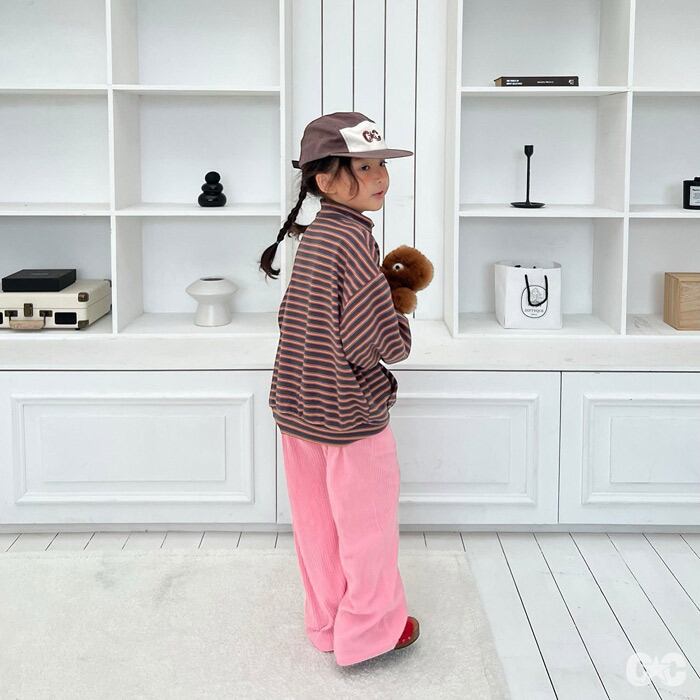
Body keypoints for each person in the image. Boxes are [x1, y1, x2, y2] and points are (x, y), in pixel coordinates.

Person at [259, 112, 420, 667]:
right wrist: (400, 311)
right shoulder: (355, 240)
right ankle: (371, 632)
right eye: (364, 167)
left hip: (298, 406)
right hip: (348, 415)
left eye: (382, 165)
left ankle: (328, 623)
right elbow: (373, 341)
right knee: (367, 530)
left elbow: (292, 318)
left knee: (317, 527)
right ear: (325, 180)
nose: (381, 177)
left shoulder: (314, 236)